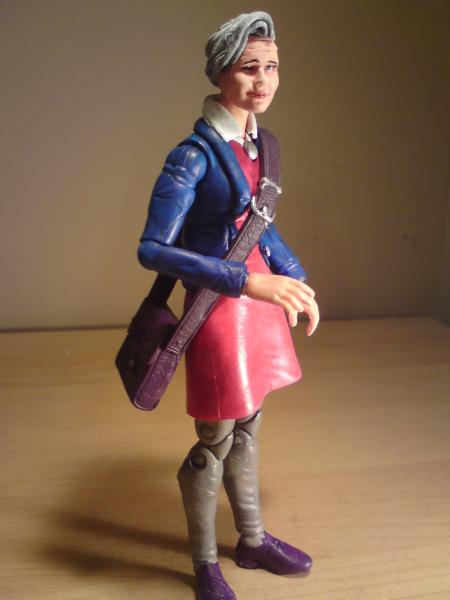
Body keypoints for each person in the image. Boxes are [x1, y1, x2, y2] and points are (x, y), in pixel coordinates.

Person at [137, 12, 320, 600]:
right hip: (218, 304)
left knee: (250, 424)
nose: (262, 80)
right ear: (220, 73)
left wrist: (296, 278)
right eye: (249, 68)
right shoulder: (191, 156)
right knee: (214, 439)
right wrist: (248, 283)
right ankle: (203, 563)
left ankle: (252, 539)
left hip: (260, 299)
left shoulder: (261, 145)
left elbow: (260, 224)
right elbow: (153, 249)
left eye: (272, 67)